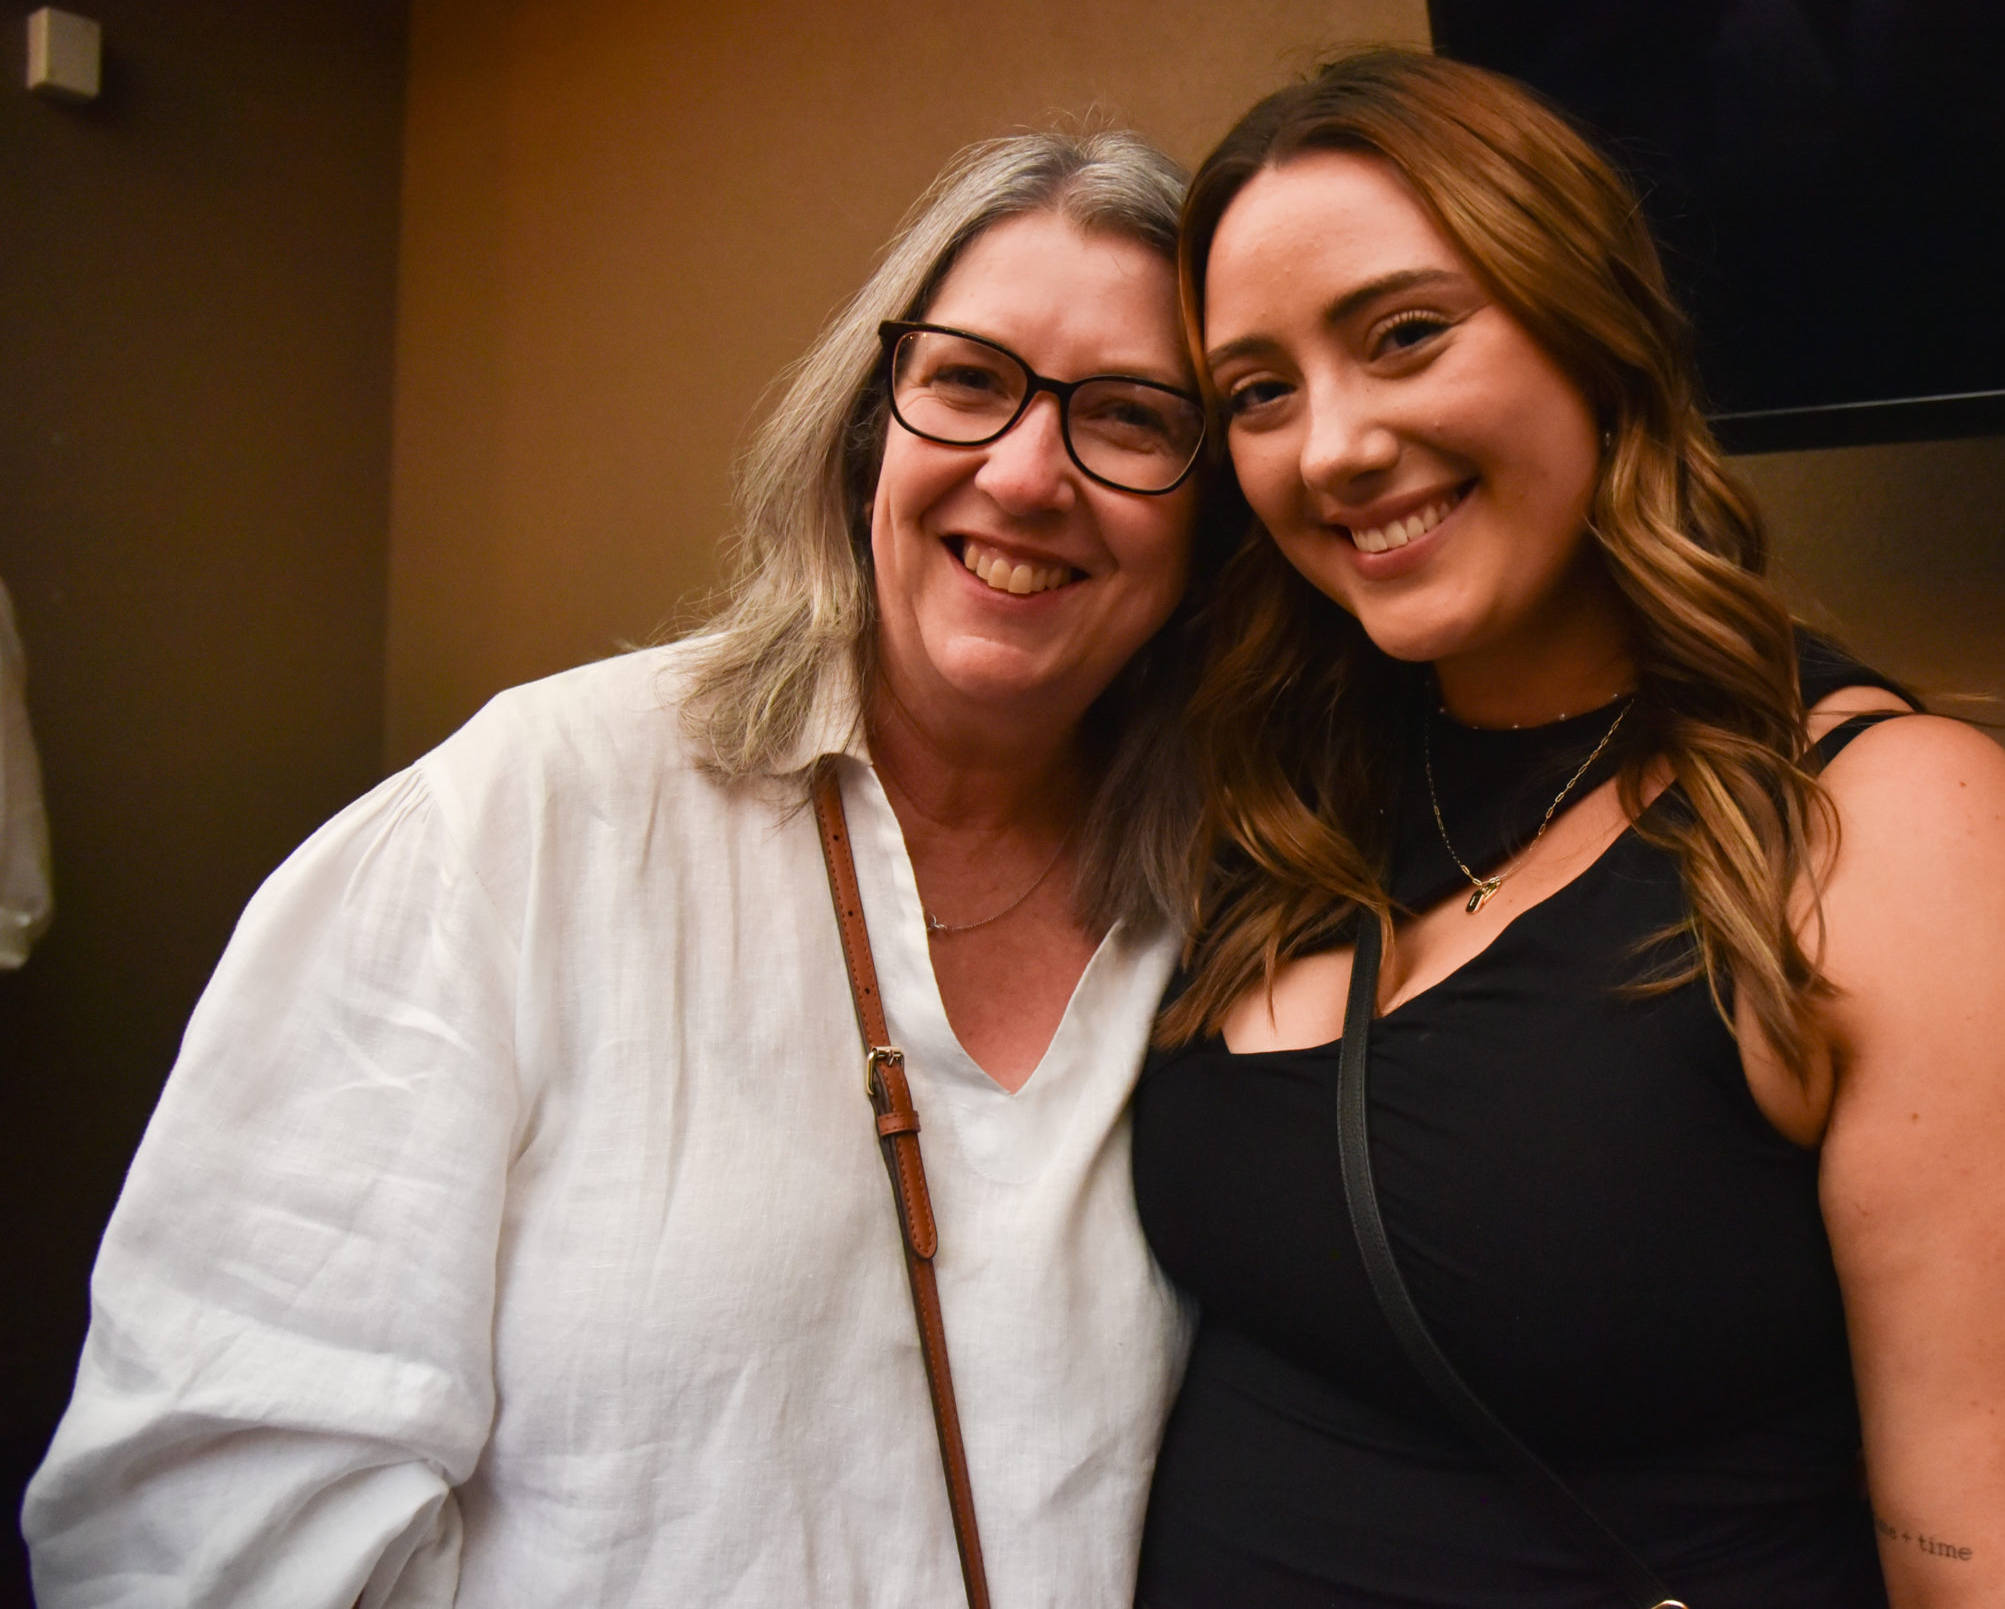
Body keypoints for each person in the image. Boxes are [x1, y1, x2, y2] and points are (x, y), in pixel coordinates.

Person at [27, 128, 1227, 1607]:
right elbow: (203, 1519)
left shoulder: (1230, 908)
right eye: (971, 381)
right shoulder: (531, 815)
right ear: (871, 428)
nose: (1029, 472)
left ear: (1212, 512)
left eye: (1131, 417)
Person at [1131, 51, 2005, 1608]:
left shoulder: (1886, 833)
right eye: (1259, 392)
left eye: (1405, 334)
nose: (1330, 445)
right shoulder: (1290, 792)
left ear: (1590, 331)